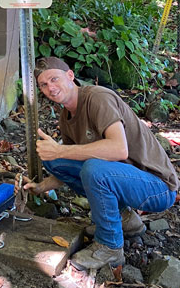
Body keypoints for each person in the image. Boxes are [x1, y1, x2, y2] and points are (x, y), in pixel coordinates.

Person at [22, 56, 178, 270]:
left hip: (157, 187)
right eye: (44, 85)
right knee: (55, 159)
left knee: (93, 169)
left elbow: (118, 149)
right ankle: (124, 219)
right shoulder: (66, 117)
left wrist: (60, 149)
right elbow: (69, 161)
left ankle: (110, 246)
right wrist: (42, 186)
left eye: (54, 79)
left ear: (70, 76)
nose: (51, 87)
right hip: (124, 178)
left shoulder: (97, 98)